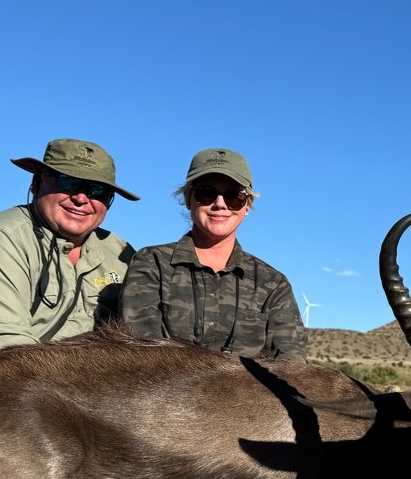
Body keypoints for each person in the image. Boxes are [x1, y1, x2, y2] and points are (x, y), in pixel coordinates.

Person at [0, 138, 137, 376]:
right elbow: (3, 345)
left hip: (81, 391)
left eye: (98, 190)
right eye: (69, 181)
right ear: (36, 183)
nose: (81, 198)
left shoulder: (119, 252)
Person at [119, 147, 307, 359]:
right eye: (206, 193)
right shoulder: (151, 263)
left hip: (246, 393)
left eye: (234, 196)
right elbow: (141, 354)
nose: (220, 204)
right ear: (188, 199)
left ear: (247, 205)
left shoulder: (274, 284)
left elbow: (292, 366)